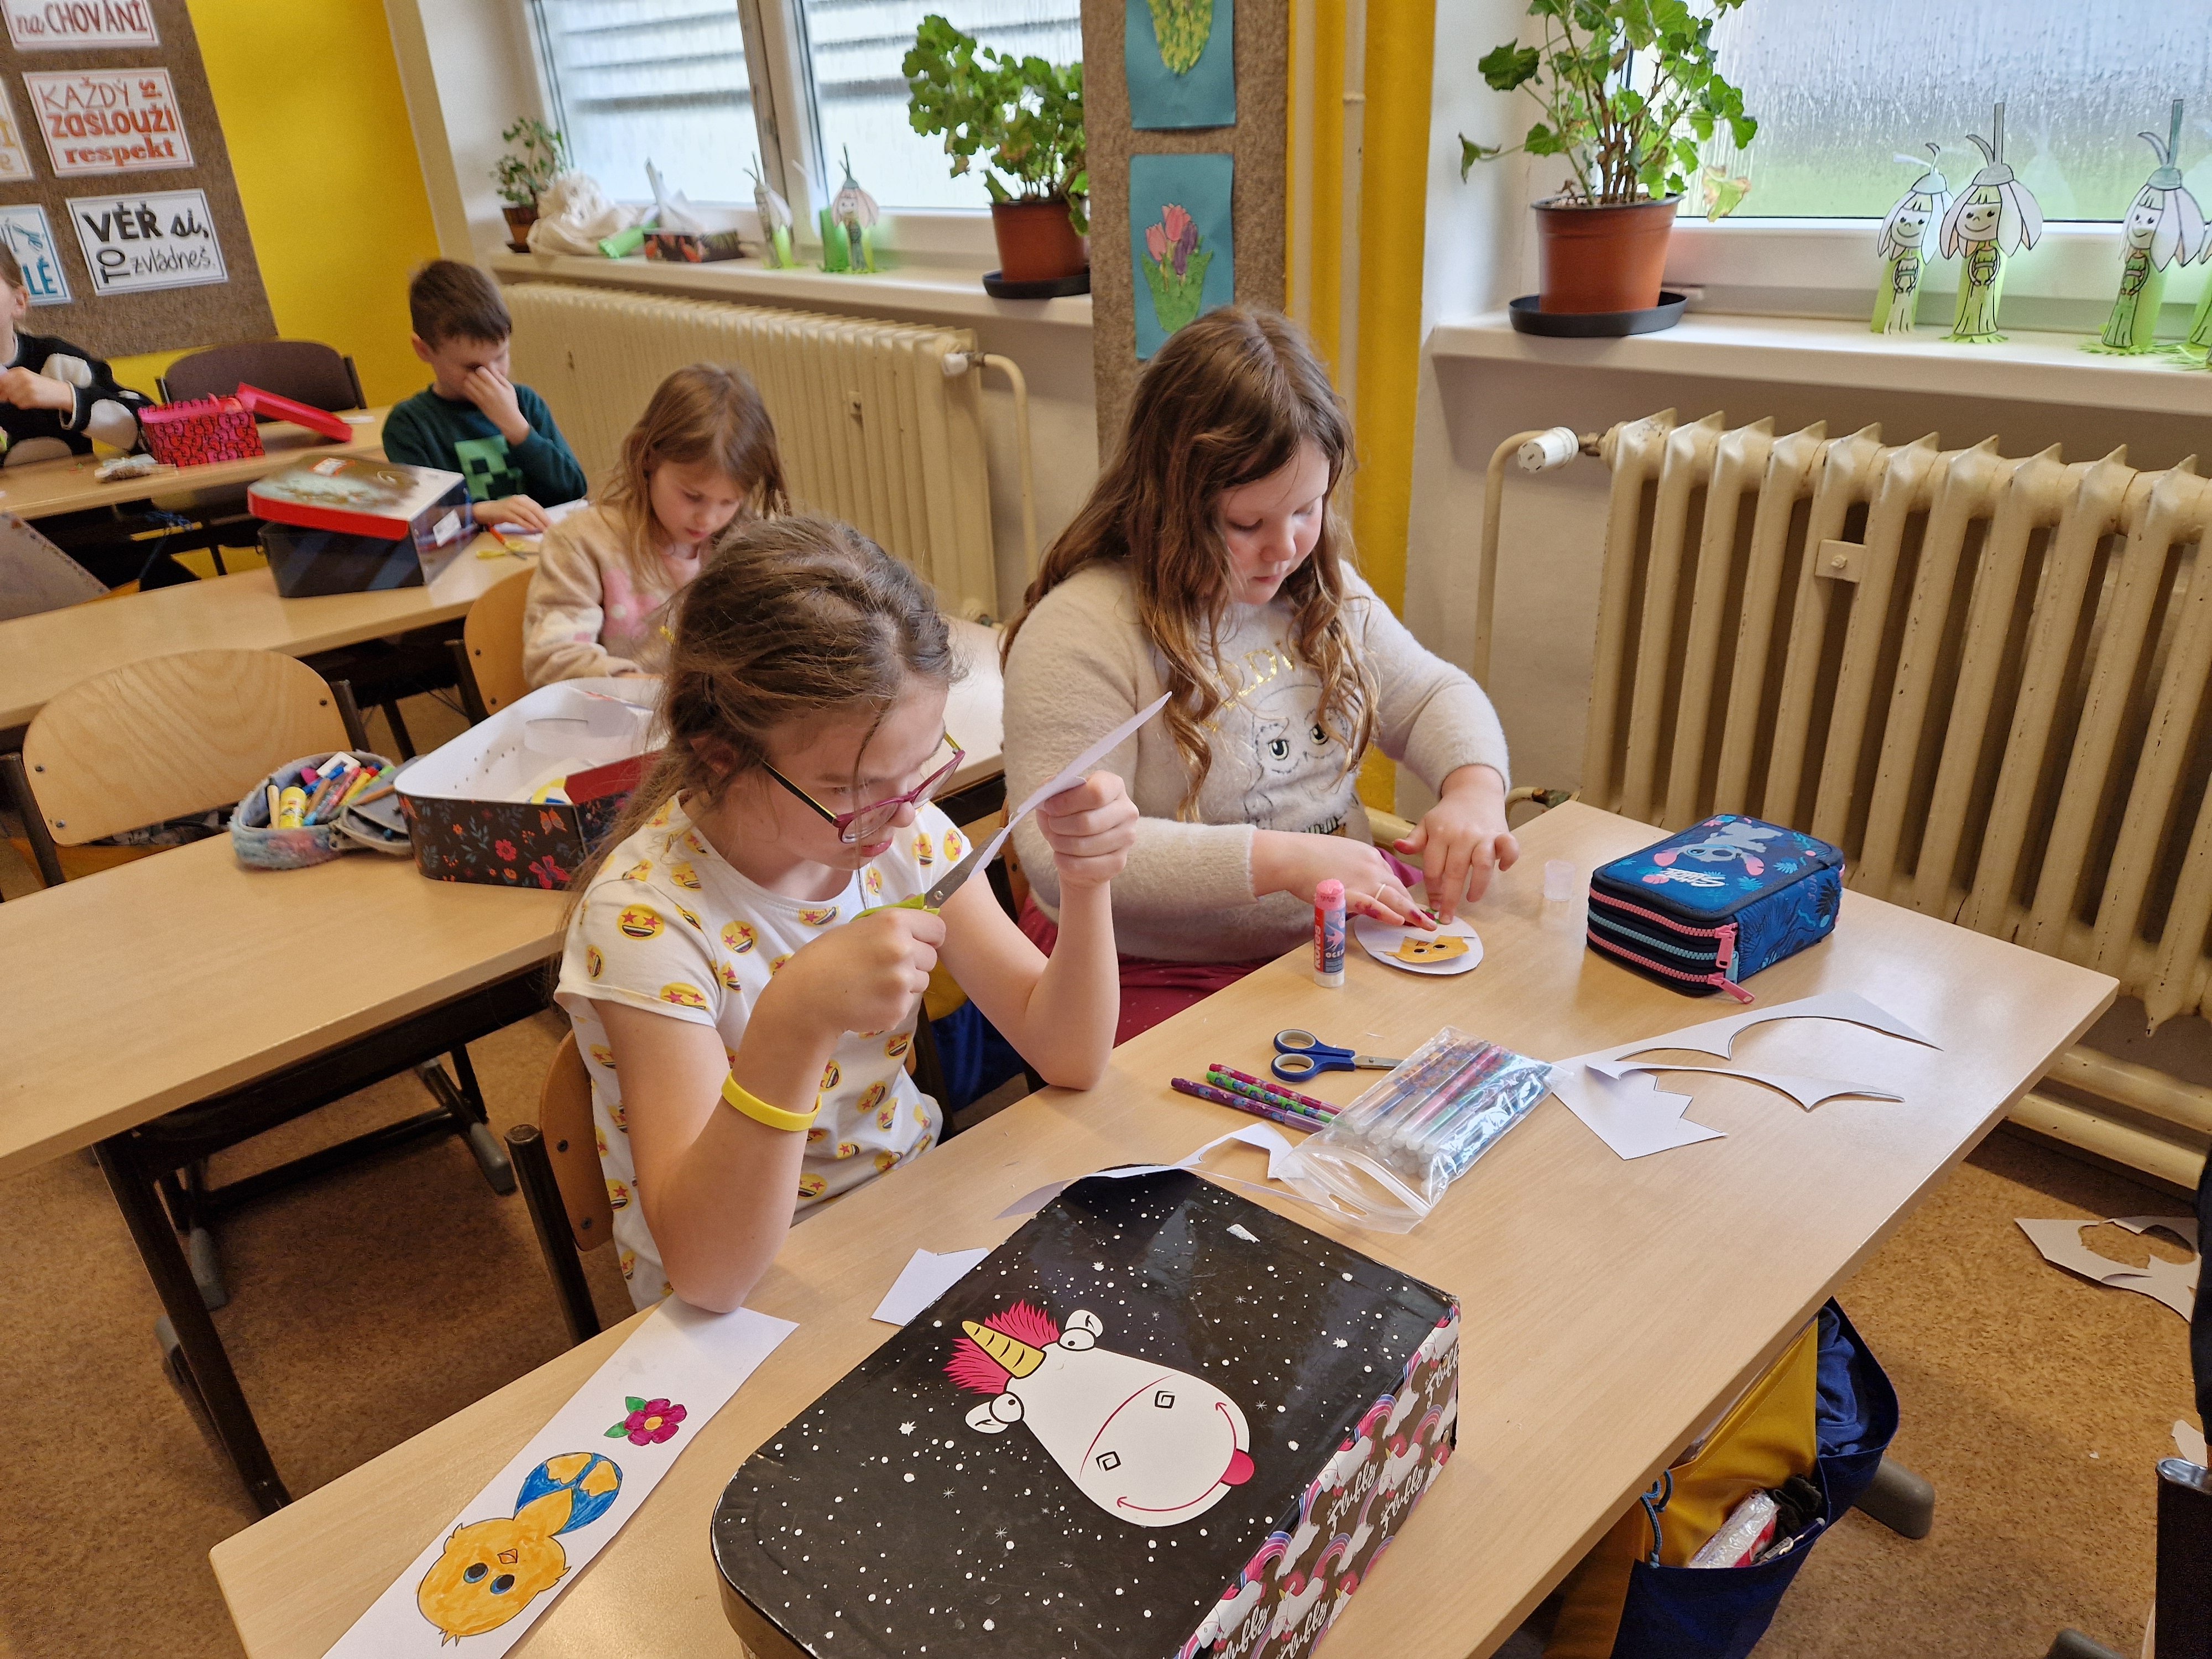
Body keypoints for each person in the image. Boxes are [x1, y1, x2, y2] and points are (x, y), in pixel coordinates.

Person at [556, 516, 1138, 1312]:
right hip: (747, 1294)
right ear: (722, 753)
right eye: (851, 787)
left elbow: (1070, 1056)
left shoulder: (902, 835)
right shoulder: (646, 923)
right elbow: (711, 1276)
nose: (902, 813)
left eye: (920, 768)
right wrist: (794, 1022)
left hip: (908, 1219)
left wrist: (1087, 878)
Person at [1000, 307, 1515, 1043]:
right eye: (1247, 525)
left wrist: (1475, 790)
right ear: (1170, 504)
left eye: (1307, 509)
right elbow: (1059, 858)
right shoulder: (1083, 629)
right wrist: (1282, 860)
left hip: (1332, 929)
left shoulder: (1320, 590)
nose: (1285, 548)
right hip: (1149, 964)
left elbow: (1434, 694)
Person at [523, 363, 787, 686]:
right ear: (647, 455)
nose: (708, 519)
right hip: (622, 713)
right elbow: (551, 662)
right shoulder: (582, 543)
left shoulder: (750, 541)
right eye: (692, 496)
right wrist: (662, 691)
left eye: (730, 502)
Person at [383, 258, 586, 531]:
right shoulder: (409, 425)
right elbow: (421, 520)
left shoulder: (525, 403)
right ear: (424, 350)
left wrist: (518, 430)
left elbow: (574, 491)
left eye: (501, 357)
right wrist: (480, 512)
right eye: (472, 367)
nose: (492, 376)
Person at [0, 243, 149, 468]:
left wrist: (68, 396)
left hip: (82, 491)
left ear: (19, 302)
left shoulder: (57, 361)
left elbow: (157, 435)